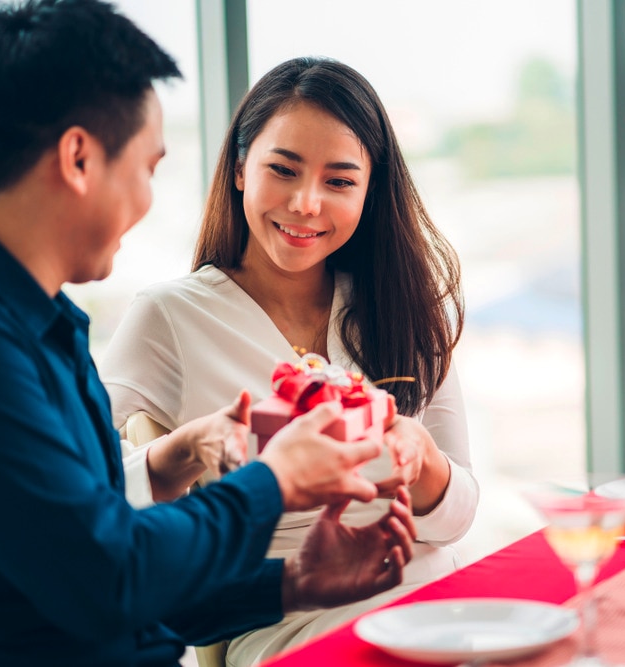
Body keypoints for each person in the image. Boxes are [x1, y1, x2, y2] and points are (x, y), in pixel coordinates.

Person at [0, 3, 417, 666]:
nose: (148, 200)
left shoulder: (34, 321)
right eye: (148, 168)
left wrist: (292, 583)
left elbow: (111, 578)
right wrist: (273, 481)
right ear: (79, 158)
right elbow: (106, 578)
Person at [100, 56, 479, 664]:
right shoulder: (169, 317)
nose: (306, 203)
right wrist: (181, 452)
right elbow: (94, 499)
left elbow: (454, 522)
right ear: (240, 169)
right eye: (284, 169)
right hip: (290, 619)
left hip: (436, 597)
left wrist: (424, 462)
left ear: (369, 193)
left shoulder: (401, 306)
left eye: (339, 180)